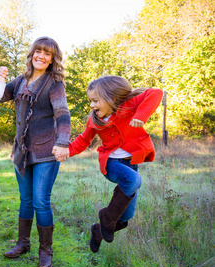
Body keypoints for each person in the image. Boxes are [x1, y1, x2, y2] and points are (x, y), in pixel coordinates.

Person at [0, 37, 71, 267]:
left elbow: (62, 115)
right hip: (22, 150)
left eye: (47, 53)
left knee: (40, 200)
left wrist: (62, 142)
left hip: (47, 150)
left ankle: (45, 251)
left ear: (52, 59)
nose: (41, 56)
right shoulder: (19, 82)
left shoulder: (54, 83)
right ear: (31, 54)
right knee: (26, 199)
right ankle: (23, 244)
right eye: (38, 51)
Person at [65, 75, 163, 253]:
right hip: (111, 163)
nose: (91, 105)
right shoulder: (94, 120)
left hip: (131, 163)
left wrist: (141, 115)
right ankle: (106, 217)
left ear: (112, 98)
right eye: (90, 101)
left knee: (125, 217)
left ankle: (98, 230)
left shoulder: (129, 106)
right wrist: (66, 151)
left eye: (95, 100)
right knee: (133, 179)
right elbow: (82, 141)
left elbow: (156, 93)